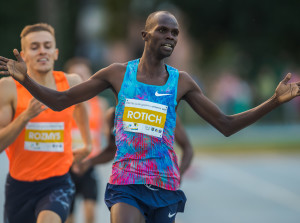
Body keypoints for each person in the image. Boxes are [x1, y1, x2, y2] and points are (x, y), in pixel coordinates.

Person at [1, 11, 300, 223]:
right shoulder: (118, 74)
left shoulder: (181, 81)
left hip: (164, 185)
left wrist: (274, 101)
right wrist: (27, 81)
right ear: (145, 35)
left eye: (175, 33)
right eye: (163, 30)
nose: (170, 37)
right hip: (125, 181)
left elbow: (226, 124)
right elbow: (61, 101)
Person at [0, 23, 92, 223]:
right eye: (35, 47)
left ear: (56, 53)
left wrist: (88, 143)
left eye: (47, 45)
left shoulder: (72, 83)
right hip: (19, 185)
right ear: (23, 56)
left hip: (57, 182)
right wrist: (24, 117)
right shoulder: (8, 88)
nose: (42, 51)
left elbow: (82, 107)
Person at [63, 58, 108, 223]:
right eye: (76, 75)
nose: (80, 79)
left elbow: (106, 133)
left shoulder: (101, 104)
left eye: (83, 74)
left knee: (90, 215)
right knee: (69, 217)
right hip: (67, 166)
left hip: (89, 165)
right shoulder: (62, 105)